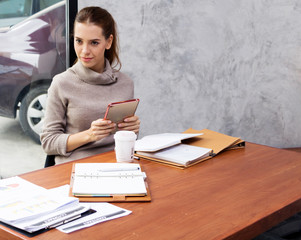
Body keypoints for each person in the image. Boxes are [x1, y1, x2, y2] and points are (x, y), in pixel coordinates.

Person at [40, 6, 140, 164]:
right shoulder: (61, 83)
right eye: (79, 41)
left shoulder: (125, 83)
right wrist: (90, 135)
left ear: (108, 42)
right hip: (76, 168)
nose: (84, 51)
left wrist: (132, 130)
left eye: (94, 42)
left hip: (118, 164)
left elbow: (123, 139)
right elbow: (48, 142)